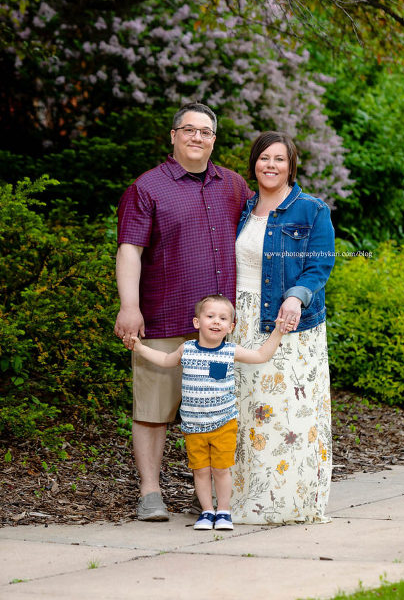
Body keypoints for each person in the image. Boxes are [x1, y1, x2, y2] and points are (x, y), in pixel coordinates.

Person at [114, 102, 253, 521]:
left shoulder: (233, 185)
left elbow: (262, 230)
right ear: (173, 136)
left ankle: (208, 496)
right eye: (189, 129)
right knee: (153, 411)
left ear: (214, 139)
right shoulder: (147, 187)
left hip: (218, 330)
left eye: (205, 131)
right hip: (163, 317)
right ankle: (150, 493)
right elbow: (129, 249)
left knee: (218, 414)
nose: (197, 137)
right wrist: (129, 306)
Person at [230, 130, 335, 524]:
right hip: (240, 321)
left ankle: (289, 502)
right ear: (254, 163)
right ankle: (243, 498)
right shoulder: (244, 208)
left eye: (279, 159)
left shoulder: (311, 210)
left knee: (287, 414)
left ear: (291, 166)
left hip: (287, 323)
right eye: (264, 158)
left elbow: (321, 264)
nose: (270, 165)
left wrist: (296, 296)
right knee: (246, 411)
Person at [127, 295, 290, 530]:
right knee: (201, 471)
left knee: (221, 470)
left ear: (231, 327)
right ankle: (206, 512)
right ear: (197, 322)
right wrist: (140, 348)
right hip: (194, 426)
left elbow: (261, 356)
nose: (216, 321)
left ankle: (223, 511)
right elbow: (164, 359)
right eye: (210, 316)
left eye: (223, 318)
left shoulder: (230, 351)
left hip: (223, 423)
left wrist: (278, 332)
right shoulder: (187, 349)